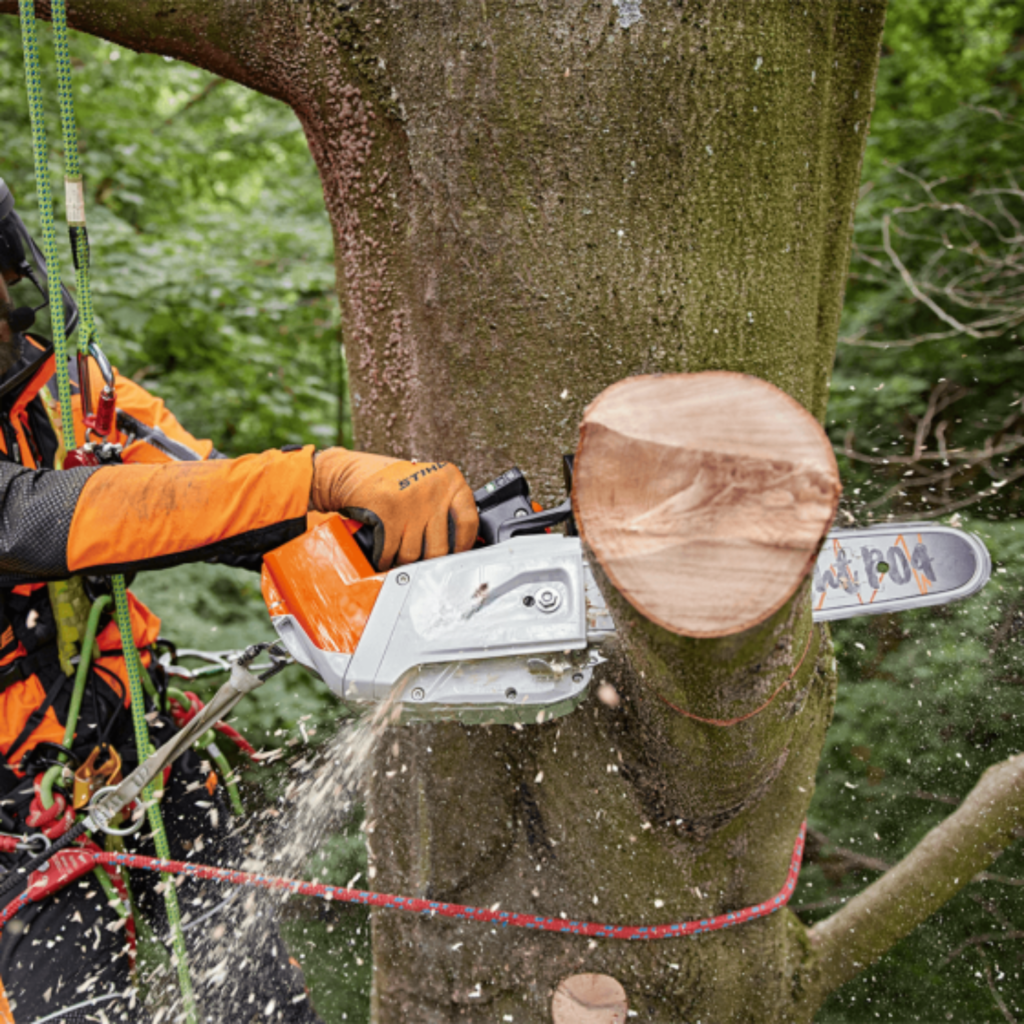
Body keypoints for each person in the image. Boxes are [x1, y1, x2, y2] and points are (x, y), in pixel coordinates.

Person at [0, 177, 478, 1022]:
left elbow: (202, 497)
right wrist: (315, 475)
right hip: (11, 819)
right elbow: (36, 520)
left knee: (261, 998)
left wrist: (382, 527)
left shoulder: (67, 391)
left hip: (133, 747)